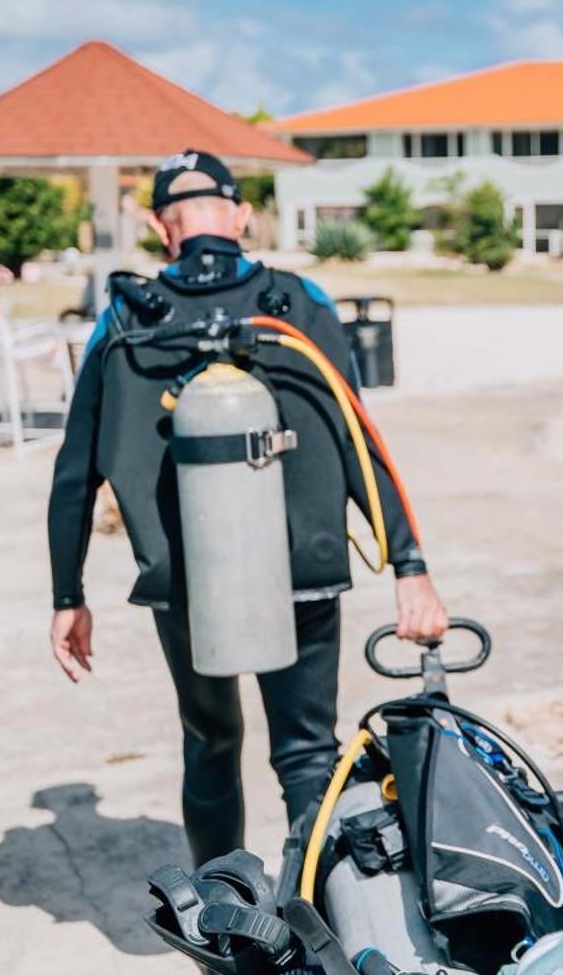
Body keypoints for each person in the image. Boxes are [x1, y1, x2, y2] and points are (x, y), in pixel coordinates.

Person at [46, 149, 448, 868]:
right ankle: (327, 930)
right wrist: (409, 564)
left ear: (160, 228)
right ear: (240, 217)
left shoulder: (123, 324)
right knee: (307, 753)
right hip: (304, 572)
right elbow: (360, 439)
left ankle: (221, 925)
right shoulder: (302, 304)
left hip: (187, 583)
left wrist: (68, 594)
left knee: (209, 744)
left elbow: (76, 472)